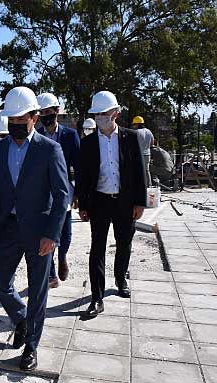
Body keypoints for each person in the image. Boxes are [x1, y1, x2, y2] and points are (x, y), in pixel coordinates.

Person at [0, 86, 69, 371]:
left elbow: (62, 195)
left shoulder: (49, 149)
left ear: (34, 116)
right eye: (11, 120)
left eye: (20, 119)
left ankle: (31, 345)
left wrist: (51, 235)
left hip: (39, 232)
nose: (15, 125)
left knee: (38, 290)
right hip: (5, 227)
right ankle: (21, 319)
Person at [77, 91, 146, 318]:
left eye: (104, 113)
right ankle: (96, 298)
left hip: (125, 202)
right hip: (100, 201)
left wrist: (140, 202)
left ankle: (120, 278)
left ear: (115, 114)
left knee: (124, 243)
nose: (100, 118)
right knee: (97, 248)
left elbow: (139, 172)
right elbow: (84, 175)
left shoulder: (130, 138)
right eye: (97, 114)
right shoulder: (87, 143)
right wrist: (83, 205)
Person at [36, 93, 81, 288]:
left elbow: (79, 164)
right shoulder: (36, 135)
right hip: (44, 192)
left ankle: (62, 256)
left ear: (57, 111)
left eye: (49, 112)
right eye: (42, 112)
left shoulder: (70, 136)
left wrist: (79, 192)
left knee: (65, 229)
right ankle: (52, 273)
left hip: (65, 189)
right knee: (48, 231)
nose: (46, 116)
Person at [131, 116, 155, 187]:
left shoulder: (135, 132)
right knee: (146, 171)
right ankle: (148, 186)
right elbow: (152, 143)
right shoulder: (148, 131)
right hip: (147, 154)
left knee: (136, 171)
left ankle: (138, 186)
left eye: (134, 124)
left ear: (137, 124)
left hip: (138, 154)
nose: (133, 126)